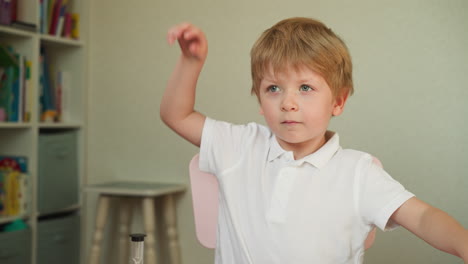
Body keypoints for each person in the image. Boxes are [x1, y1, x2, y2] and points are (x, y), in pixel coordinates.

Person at [160, 17, 468, 263]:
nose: (288, 103)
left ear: (338, 101)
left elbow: (424, 216)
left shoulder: (358, 172)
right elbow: (177, 115)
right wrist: (191, 63)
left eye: (305, 88)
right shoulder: (239, 146)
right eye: (273, 89)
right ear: (259, 100)